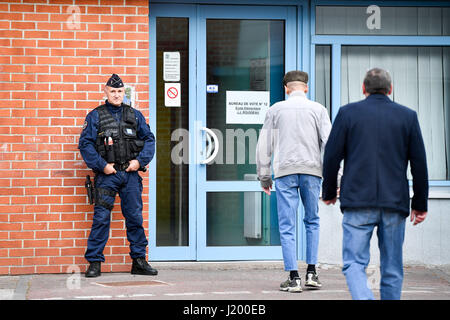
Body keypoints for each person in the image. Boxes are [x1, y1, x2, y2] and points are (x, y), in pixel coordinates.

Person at [322, 68, 428, 300]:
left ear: (363, 88)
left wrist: (329, 192)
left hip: (357, 202)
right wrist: (420, 204)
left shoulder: (348, 114)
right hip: (394, 203)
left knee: (353, 264)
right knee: (392, 268)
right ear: (390, 89)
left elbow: (331, 156)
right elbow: (419, 163)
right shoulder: (407, 116)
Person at [256, 70, 331, 292]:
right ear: (305, 88)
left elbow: (264, 146)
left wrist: (264, 176)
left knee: (287, 225)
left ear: (286, 88)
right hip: (312, 172)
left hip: (285, 172)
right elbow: (331, 143)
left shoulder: (275, 110)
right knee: (312, 221)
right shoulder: (318, 109)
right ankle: (312, 273)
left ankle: (293, 277)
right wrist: (335, 176)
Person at [79, 74, 158, 278]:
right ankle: (95, 262)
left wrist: (139, 162)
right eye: (112, 91)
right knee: (101, 219)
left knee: (134, 218)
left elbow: (149, 140)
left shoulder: (135, 115)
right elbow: (85, 144)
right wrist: (102, 166)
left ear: (125, 93)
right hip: (108, 175)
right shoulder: (95, 116)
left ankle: (139, 261)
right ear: (106, 92)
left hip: (130, 175)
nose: (116, 95)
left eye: (120, 91)